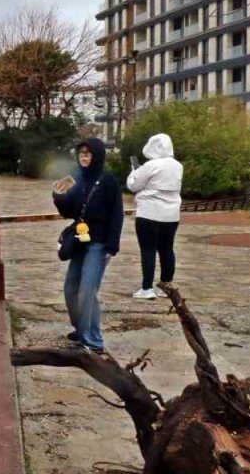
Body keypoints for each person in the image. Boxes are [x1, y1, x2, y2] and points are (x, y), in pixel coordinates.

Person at [52, 138, 124, 353]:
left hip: (99, 243)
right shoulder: (79, 179)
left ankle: (93, 341)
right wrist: (58, 196)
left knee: (87, 290)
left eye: (88, 153)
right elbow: (70, 212)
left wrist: (112, 246)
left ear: (97, 155)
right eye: (81, 153)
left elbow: (117, 214)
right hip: (80, 241)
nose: (84, 157)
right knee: (70, 289)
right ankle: (81, 329)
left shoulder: (108, 180)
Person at [126, 133, 182, 300]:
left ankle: (147, 288)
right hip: (171, 215)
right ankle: (167, 285)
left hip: (149, 213)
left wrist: (133, 172)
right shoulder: (178, 166)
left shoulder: (150, 165)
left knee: (148, 250)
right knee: (167, 249)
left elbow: (134, 186)